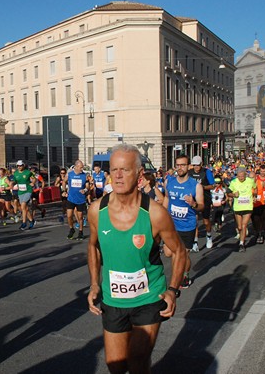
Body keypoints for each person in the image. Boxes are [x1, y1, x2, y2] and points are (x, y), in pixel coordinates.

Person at [87, 144, 186, 374]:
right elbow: (93, 246)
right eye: (114, 170)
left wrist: (172, 290)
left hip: (149, 298)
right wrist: (94, 283)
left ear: (140, 175)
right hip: (114, 300)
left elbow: (179, 251)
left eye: (125, 170)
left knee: (138, 360)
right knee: (116, 366)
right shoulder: (96, 210)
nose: (118, 176)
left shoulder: (155, 213)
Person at [163, 154, 203, 289]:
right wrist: (162, 216)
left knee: (181, 254)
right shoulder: (169, 182)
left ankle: (182, 276)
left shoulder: (195, 185)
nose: (180, 168)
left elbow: (202, 205)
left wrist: (194, 204)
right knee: (169, 252)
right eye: (178, 165)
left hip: (187, 225)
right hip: (171, 225)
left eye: (183, 165)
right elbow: (167, 199)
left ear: (188, 166)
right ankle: (180, 272)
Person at [227, 167, 256, 252]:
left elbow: (255, 188)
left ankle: (241, 244)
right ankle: (241, 236)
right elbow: (228, 192)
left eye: (242, 176)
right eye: (239, 176)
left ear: (245, 175)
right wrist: (233, 195)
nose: (241, 178)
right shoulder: (233, 182)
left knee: (244, 225)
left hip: (248, 206)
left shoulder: (250, 181)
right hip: (238, 207)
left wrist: (254, 196)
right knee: (239, 227)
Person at [189, 155, 215, 250]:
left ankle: (208, 235)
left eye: (198, 165)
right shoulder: (190, 173)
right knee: (194, 221)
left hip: (205, 198)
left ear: (201, 164)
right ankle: (195, 242)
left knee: (206, 221)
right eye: (194, 165)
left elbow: (212, 186)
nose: (196, 167)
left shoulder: (206, 172)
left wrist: (202, 187)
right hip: (194, 198)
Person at [66, 160, 89, 240]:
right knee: (69, 216)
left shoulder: (84, 175)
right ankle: (71, 229)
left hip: (80, 199)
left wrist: (85, 190)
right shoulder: (69, 174)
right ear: (75, 167)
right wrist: (64, 191)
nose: (81, 169)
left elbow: (87, 186)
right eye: (80, 167)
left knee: (80, 217)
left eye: (82, 167)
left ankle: (80, 231)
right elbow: (64, 182)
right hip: (71, 198)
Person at [13, 160, 36, 230]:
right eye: (18, 166)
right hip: (20, 191)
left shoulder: (28, 172)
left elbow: (34, 178)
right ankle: (32, 221)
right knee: (25, 208)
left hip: (28, 190)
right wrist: (12, 184)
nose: (19, 167)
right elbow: (15, 181)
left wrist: (33, 182)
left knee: (23, 205)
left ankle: (24, 223)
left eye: (20, 165)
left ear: (23, 165)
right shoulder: (15, 173)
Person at [251, 165, 265, 244]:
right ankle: (257, 232)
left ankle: (261, 233)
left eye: (264, 171)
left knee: (263, 218)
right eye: (261, 171)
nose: (262, 173)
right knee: (255, 218)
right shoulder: (255, 179)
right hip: (254, 202)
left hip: (263, 202)